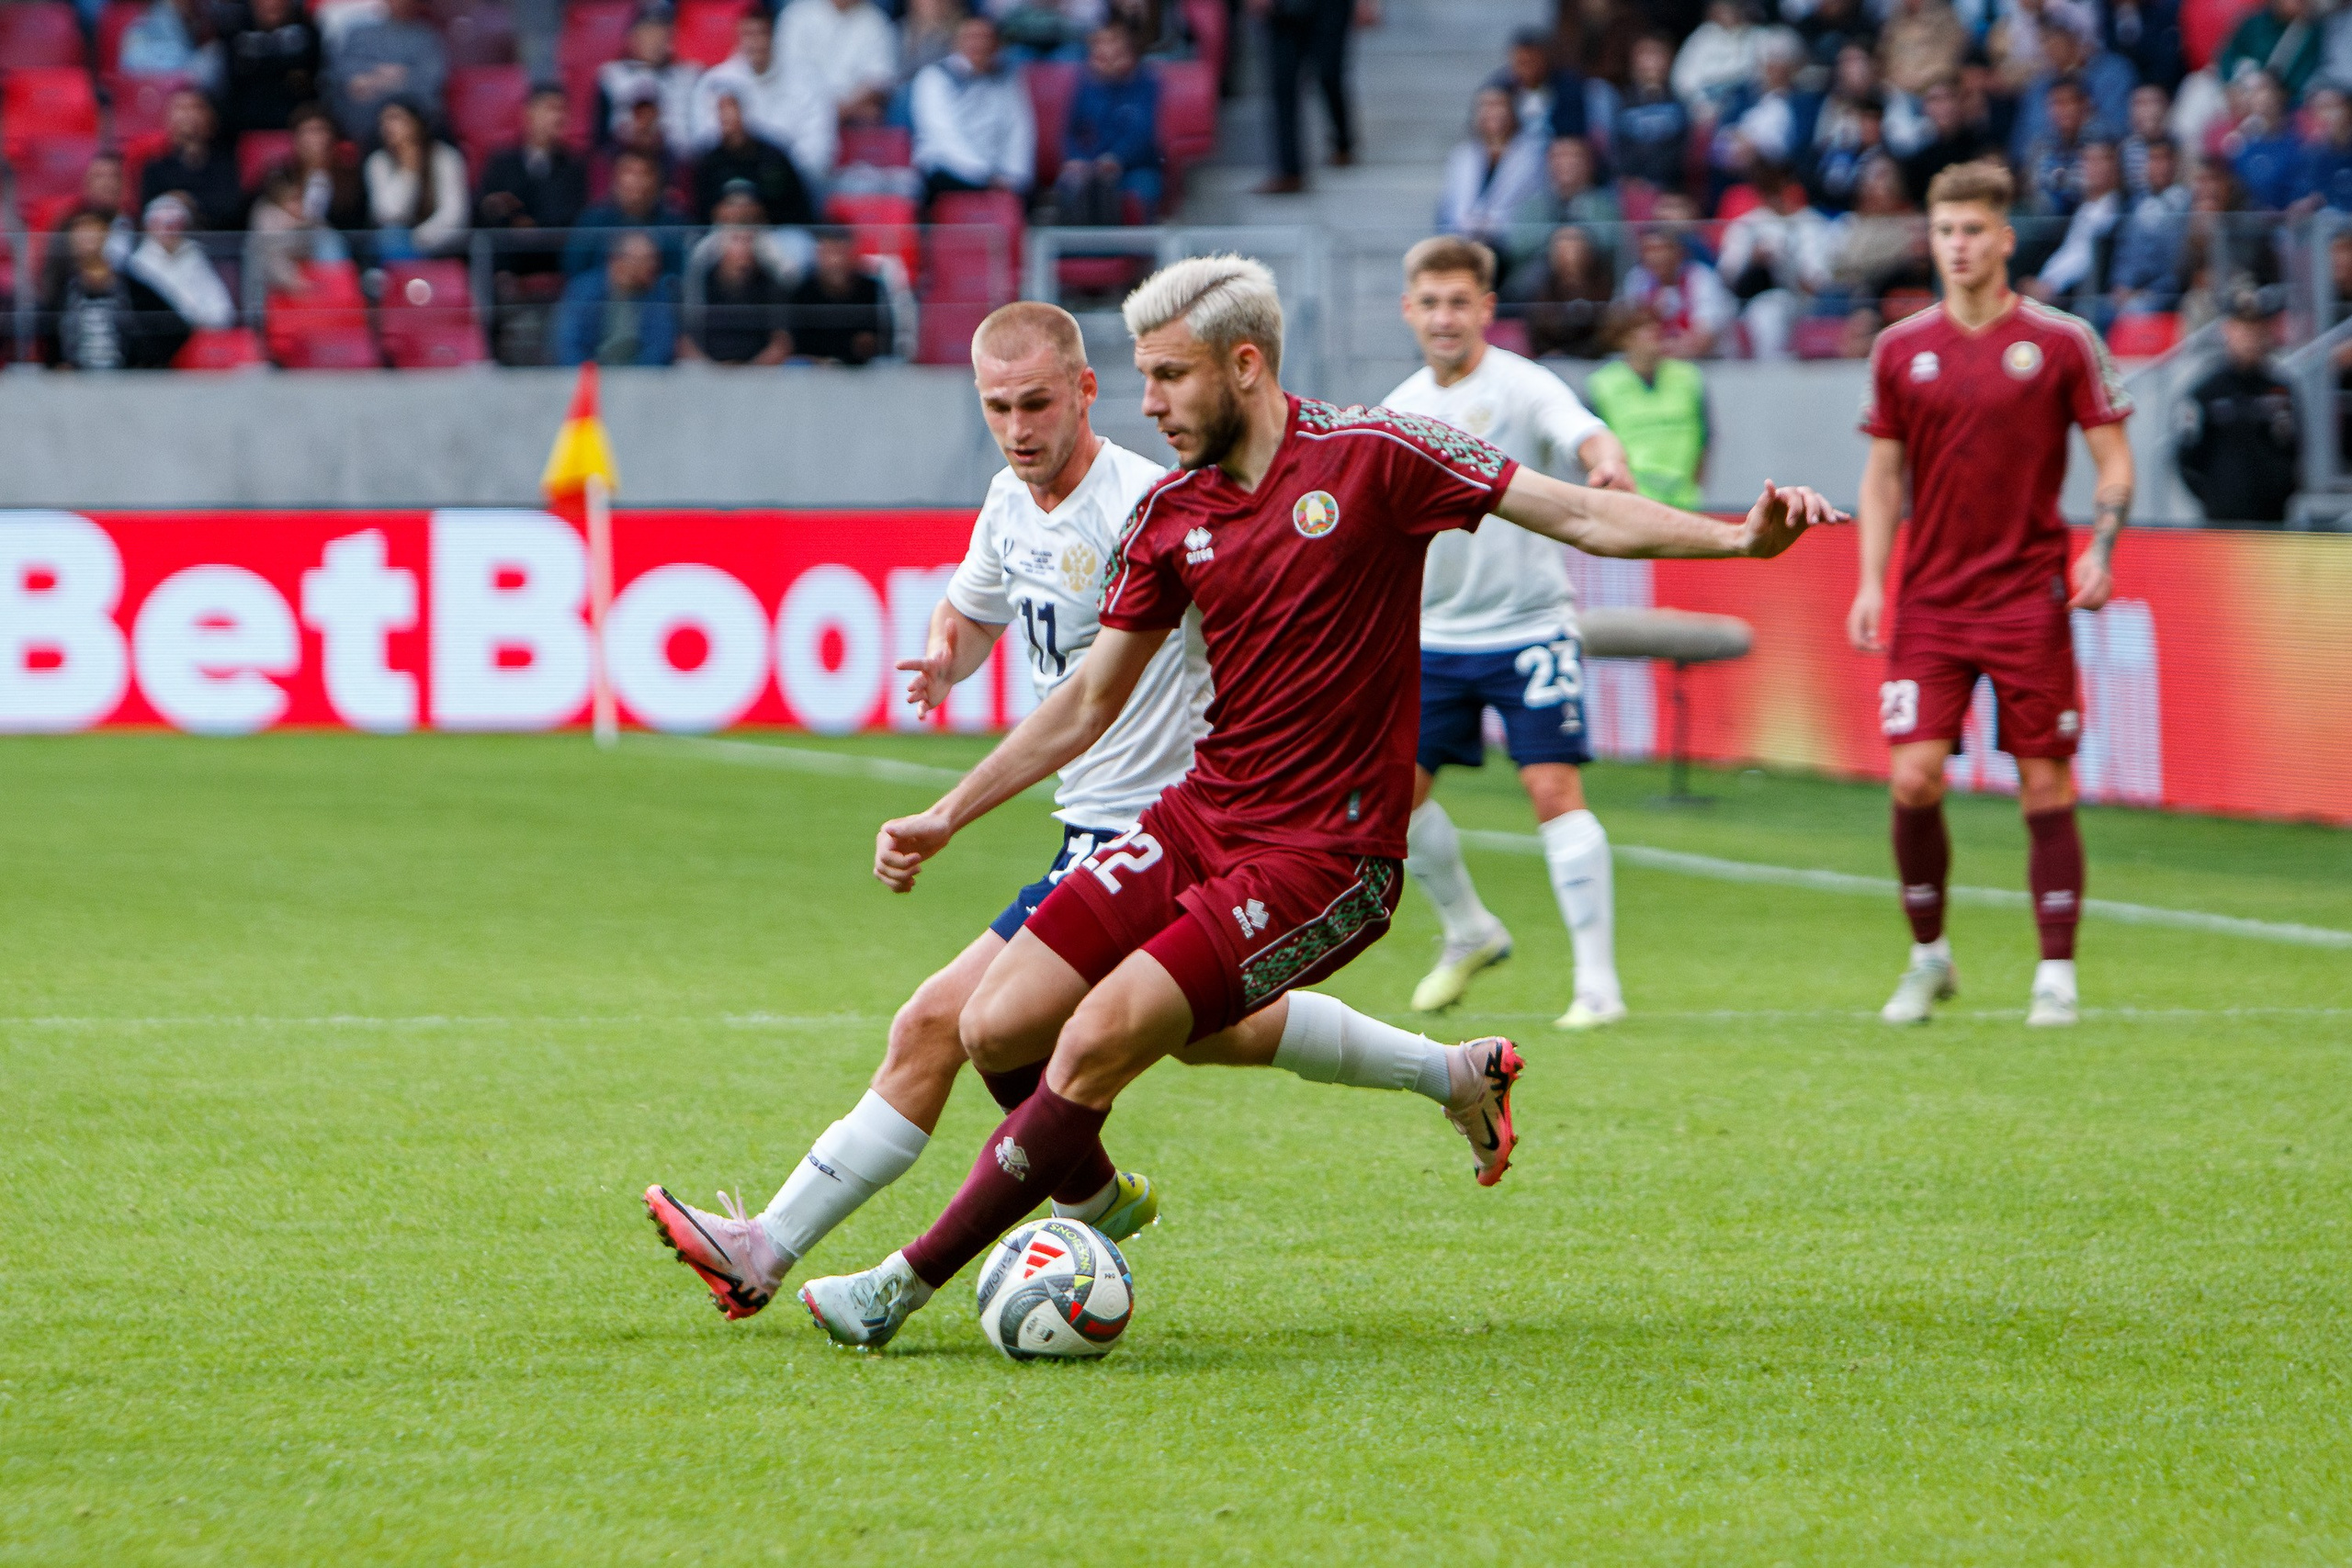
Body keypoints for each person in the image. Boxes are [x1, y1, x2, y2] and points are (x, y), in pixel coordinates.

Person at [789, 253, 1839, 1348]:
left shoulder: (1381, 456)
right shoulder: (1172, 515)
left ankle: (896, 1289)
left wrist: (1735, 539)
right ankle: (1356, 1108)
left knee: (1098, 1033)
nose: (1147, 403)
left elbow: (1577, 513)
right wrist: (949, 813)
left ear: (1243, 365)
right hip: (1198, 819)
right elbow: (1088, 700)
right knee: (996, 1020)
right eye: (1140, 377)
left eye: (1168, 377)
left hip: (1324, 859)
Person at [646, 301, 1204, 1316]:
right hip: (1093, 829)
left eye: (1038, 402)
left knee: (944, 1023)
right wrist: (951, 648)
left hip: (1158, 830)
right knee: (1216, 1033)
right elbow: (978, 605)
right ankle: (1445, 1075)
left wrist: (947, 814)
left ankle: (771, 1247)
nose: (1019, 426)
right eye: (998, 407)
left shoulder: (1146, 506)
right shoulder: (1006, 499)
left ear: (1087, 390)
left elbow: (1091, 702)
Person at [1849, 159, 2136, 1029]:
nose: (1960, 245)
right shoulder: (1899, 348)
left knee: (2046, 788)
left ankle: (2056, 974)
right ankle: (1929, 956)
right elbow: (1883, 477)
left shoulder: (2060, 342)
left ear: (2005, 238)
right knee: (1913, 779)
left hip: (2028, 600)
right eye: (1945, 231)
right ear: (1930, 239)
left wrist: (2103, 546)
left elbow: (2114, 460)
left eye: (1974, 230)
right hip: (1931, 603)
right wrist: (1870, 580)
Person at [1380, 236, 1639, 1028]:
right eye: (1431, 303)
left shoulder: (1525, 387)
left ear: (1488, 308)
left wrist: (1606, 459)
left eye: (1460, 301)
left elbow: (1582, 430)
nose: (1445, 317)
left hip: (1528, 627)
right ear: (1409, 311)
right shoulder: (1398, 411)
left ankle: (1598, 985)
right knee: (1394, 803)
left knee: (1553, 790)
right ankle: (1468, 929)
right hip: (1432, 638)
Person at [2177, 290, 2299, 524]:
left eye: (2256, 330)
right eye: (2243, 329)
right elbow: (2186, 456)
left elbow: (2295, 450)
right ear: (2227, 330)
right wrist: (2213, 497)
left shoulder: (2282, 391)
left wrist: (2282, 492)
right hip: (2221, 521)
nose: (2249, 338)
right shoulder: (2206, 392)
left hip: (2273, 521)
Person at [689, 8, 834, 191]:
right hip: (732, 186)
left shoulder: (808, 80)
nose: (756, 42)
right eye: (749, 34)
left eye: (762, 33)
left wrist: (780, 176)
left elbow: (818, 151)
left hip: (792, 186)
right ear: (738, 37)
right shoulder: (714, 82)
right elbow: (706, 146)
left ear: (774, 36)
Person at [1585, 303, 1709, 506]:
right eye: (1642, 329)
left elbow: (1705, 440)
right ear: (1624, 339)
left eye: (1656, 327)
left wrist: (1693, 486)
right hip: (1630, 502)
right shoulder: (1602, 385)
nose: (1654, 334)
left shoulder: (1688, 378)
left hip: (1684, 501)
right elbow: (1592, 447)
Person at [40, 210, 192, 369]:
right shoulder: (62, 290)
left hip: (125, 387)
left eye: (91, 229)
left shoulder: (132, 287)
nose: (85, 237)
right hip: (76, 388)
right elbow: (49, 340)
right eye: (78, 231)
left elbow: (177, 328)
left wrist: (144, 365)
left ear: (106, 233)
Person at [910, 16, 1035, 207]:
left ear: (997, 44)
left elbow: (1019, 129)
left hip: (999, 174)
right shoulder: (933, 77)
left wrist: (1014, 175)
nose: (978, 44)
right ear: (956, 42)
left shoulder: (1009, 78)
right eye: (971, 37)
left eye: (984, 37)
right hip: (950, 170)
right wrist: (985, 177)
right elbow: (943, 135)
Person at [1715, 161, 1837, 355]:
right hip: (1750, 298)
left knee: (1771, 308)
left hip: (1800, 301)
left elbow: (1818, 284)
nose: (1777, 195)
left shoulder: (1812, 224)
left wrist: (1787, 262)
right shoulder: (1746, 225)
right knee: (1754, 310)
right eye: (1769, 187)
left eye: (1781, 186)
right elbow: (1727, 277)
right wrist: (1754, 259)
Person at [476, 84, 590, 276]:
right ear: (529, 112)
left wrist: (535, 229)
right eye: (551, 108)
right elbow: (485, 208)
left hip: (555, 259)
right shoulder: (502, 162)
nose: (558, 117)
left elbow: (574, 216)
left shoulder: (574, 165)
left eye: (563, 110)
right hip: (507, 258)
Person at [1057, 23, 1162, 223]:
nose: (1109, 59)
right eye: (1101, 54)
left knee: (1133, 186)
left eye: (1116, 51)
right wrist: (1076, 158)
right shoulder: (1086, 85)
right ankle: (1076, 252)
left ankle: (1118, 251)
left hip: (1136, 167)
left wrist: (1116, 158)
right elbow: (1070, 132)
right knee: (1072, 182)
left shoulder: (1147, 84)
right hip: (1091, 164)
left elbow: (1143, 134)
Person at [1252, 0, 1362, 194]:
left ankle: (1343, 142)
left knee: (1330, 73)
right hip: (1283, 9)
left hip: (1330, 7)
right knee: (1283, 84)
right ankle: (1289, 170)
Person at [2026, 137, 2124, 321]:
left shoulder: (2115, 213)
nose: (2090, 167)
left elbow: (2085, 260)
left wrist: (2050, 285)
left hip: (2080, 300)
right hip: (2052, 291)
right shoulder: (2081, 209)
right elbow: (2066, 253)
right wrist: (2041, 281)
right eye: (2086, 160)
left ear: (2113, 167)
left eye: (2098, 160)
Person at [1435, 87, 1546, 246]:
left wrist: (1492, 225)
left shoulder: (1532, 156)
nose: (1492, 112)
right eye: (1485, 106)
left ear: (1512, 111)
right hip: (1463, 239)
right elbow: (1449, 208)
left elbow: (1532, 207)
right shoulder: (1462, 156)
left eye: (1498, 105)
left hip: (1511, 243)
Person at [326, 0, 447, 141]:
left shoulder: (427, 37)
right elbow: (349, 79)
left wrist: (375, 81)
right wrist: (395, 78)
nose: (401, 3)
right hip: (363, 123)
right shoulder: (360, 33)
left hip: (413, 120)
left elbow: (430, 82)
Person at [365, 98, 469, 258]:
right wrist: (408, 172)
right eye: (383, 121)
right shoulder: (378, 162)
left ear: (416, 123)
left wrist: (418, 239)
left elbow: (454, 214)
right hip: (396, 244)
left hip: (440, 241)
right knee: (391, 236)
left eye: (395, 118)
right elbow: (386, 213)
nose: (387, 126)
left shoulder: (444, 157)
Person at [556, 230, 680, 365]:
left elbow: (660, 347)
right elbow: (568, 344)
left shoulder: (658, 293)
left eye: (653, 258)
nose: (652, 265)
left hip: (640, 378)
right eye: (643, 259)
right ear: (617, 261)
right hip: (591, 376)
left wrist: (636, 379)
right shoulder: (584, 290)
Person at [691, 88, 815, 223]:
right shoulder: (710, 162)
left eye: (732, 108)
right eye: (722, 111)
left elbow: (796, 206)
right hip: (724, 235)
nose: (728, 117)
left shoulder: (772, 157)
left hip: (773, 231)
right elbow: (701, 213)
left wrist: (759, 211)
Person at [564, 148, 691, 277]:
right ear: (615, 179)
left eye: (645, 173)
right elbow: (575, 272)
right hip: (603, 294)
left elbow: (681, 276)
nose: (637, 181)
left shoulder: (675, 224)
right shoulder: (592, 221)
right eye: (629, 172)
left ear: (657, 181)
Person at [681, 219, 793, 364]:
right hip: (708, 373)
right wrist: (713, 373)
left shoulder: (770, 285)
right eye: (736, 240)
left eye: (748, 241)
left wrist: (747, 373)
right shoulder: (701, 283)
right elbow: (685, 342)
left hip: (759, 375)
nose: (743, 249)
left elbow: (781, 343)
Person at [1616, 223, 1736, 358]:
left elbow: (1703, 341)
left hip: (1710, 363)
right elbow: (1626, 334)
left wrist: (1654, 348)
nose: (1654, 257)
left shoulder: (1701, 278)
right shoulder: (1637, 279)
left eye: (1661, 249)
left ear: (1680, 252)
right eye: (1648, 250)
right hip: (1657, 364)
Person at [596, 6, 700, 159]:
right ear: (633, 38)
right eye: (648, 34)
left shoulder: (689, 77)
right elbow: (602, 138)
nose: (655, 42)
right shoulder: (611, 77)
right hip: (626, 161)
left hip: (677, 162)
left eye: (661, 34)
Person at [1508, 136, 1620, 276]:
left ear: (1589, 164)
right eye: (1559, 156)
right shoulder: (1533, 205)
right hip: (1538, 284)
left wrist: (1578, 241)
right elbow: (1517, 246)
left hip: (1594, 281)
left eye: (1574, 156)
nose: (1567, 163)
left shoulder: (1604, 204)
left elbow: (1609, 242)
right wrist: (1555, 239)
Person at [139, 88, 245, 235]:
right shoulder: (155, 169)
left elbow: (230, 210)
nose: (188, 115)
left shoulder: (227, 162)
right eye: (181, 108)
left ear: (211, 117)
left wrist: (187, 202)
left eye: (196, 107)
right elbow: (149, 216)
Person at [778, 0, 900, 128]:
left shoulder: (877, 23)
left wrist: (839, 112)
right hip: (797, 115)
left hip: (850, 122)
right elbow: (786, 73)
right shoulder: (796, 14)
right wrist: (821, 113)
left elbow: (877, 83)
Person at [124, 194, 236, 330]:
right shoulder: (139, 264)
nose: (169, 232)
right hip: (160, 338)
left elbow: (220, 305)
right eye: (161, 225)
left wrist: (209, 324)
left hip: (200, 334)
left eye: (174, 226)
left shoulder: (195, 257)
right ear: (149, 227)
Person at [1505, 223, 1615, 357]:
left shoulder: (1604, 284)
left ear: (1588, 250)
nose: (1565, 251)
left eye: (1572, 244)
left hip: (1596, 359)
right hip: (1552, 360)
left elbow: (1607, 330)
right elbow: (1537, 331)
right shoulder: (1539, 286)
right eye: (1559, 245)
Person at [2108, 134, 2187, 313]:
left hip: (2160, 293)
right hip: (2125, 291)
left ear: (2175, 163)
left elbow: (2176, 266)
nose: (2158, 167)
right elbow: (2124, 252)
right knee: (2089, 311)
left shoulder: (2184, 205)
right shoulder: (2136, 204)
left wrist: (2141, 291)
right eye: (2152, 159)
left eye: (2163, 159)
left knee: (2135, 311)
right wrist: (2120, 284)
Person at [784, 226, 888, 361]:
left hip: (860, 369)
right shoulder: (802, 291)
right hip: (813, 370)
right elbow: (795, 344)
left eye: (841, 253)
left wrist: (867, 345)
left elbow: (882, 340)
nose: (836, 261)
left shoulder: (871, 289)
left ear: (854, 255)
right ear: (818, 255)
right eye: (829, 253)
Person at [220, 0, 322, 133]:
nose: (272, 4)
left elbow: (316, 80)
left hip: (298, 123)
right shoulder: (234, 34)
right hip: (247, 125)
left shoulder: (309, 33)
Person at [1613, 34, 1693, 192]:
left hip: (1672, 186)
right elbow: (1619, 146)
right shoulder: (1623, 102)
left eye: (1656, 55)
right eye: (1644, 55)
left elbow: (1682, 147)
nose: (1651, 63)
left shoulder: (1680, 101)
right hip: (1633, 185)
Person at [1488, 25, 1589, 142]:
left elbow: (1570, 133)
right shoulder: (1501, 87)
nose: (1525, 69)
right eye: (1520, 63)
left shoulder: (1569, 89)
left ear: (1546, 59)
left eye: (1531, 62)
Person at [2215, 0, 2319, 103]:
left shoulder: (2308, 33)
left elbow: (2302, 76)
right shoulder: (2254, 21)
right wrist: (2229, 82)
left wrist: (2275, 89)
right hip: (2239, 81)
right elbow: (2229, 54)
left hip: (2275, 94)